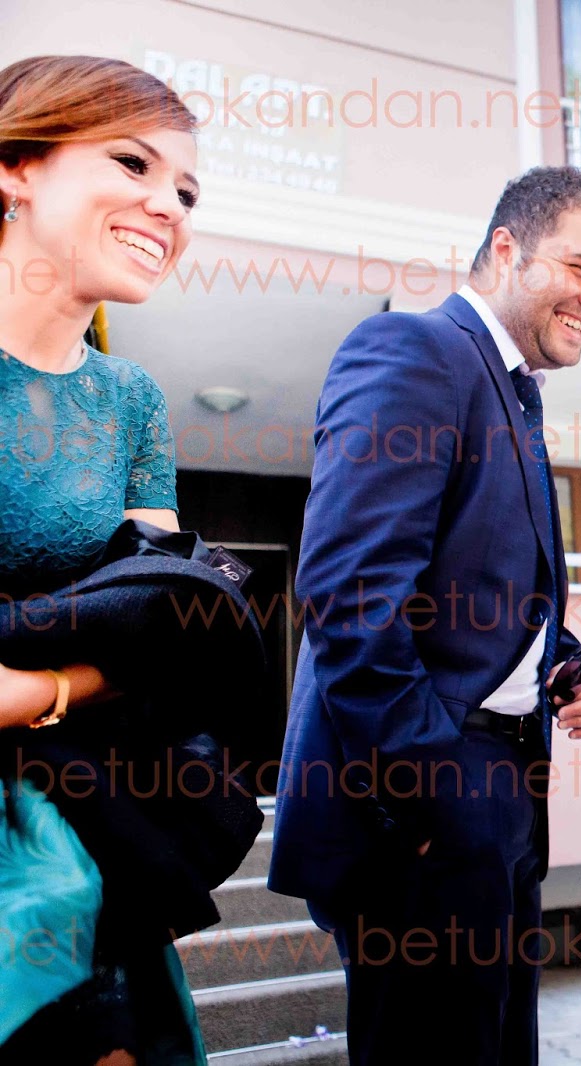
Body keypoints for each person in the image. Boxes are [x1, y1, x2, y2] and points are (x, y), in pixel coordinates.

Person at [269, 167, 581, 1065]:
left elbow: (481, 590)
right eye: (579, 267)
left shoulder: (513, 390)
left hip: (504, 798)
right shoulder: (415, 349)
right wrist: (437, 796)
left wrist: (565, 662)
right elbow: (349, 595)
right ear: (506, 249)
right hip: (426, 804)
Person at [0, 54, 220, 1061]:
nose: (167, 207)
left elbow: (160, 623)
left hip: (81, 816)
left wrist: (36, 691)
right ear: (16, 167)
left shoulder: (129, 399)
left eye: (186, 192)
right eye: (133, 164)